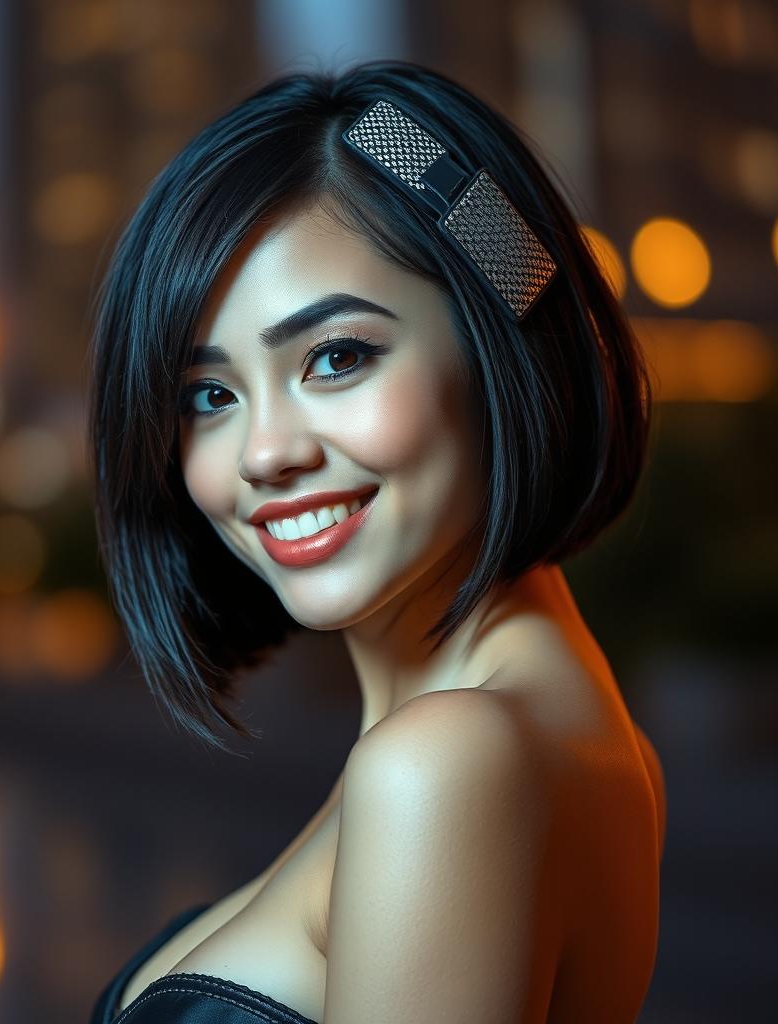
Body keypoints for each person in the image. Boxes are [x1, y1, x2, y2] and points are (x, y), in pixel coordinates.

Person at [87, 59, 666, 1024]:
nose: (266, 452)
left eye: (337, 356)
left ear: (498, 344)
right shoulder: (553, 730)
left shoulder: (445, 763)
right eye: (211, 395)